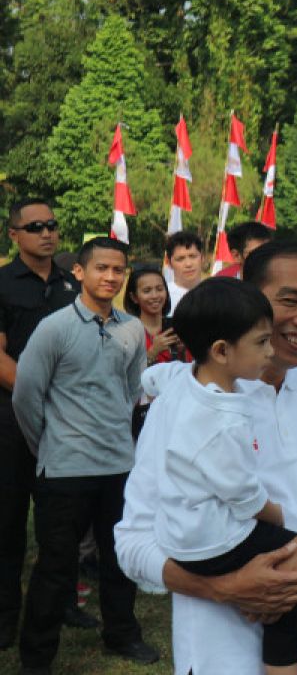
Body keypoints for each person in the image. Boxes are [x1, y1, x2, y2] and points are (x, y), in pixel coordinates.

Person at [116, 241, 297, 673]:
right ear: (249, 300)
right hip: (222, 646)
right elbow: (132, 542)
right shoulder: (186, 404)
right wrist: (226, 587)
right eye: (289, 300)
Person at [13, 237, 159, 672]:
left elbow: (134, 390)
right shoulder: (53, 328)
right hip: (64, 467)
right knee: (56, 566)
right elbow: (26, 396)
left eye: (118, 270)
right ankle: (37, 657)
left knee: (119, 559)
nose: (110, 277)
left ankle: (121, 634)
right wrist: (49, 446)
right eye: (101, 269)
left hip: (118, 465)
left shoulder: (132, 329)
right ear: (79, 272)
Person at [0, 199, 80, 650]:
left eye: (51, 224)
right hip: (12, 419)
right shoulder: (3, 284)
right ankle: (5, 617)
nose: (46, 233)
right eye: (34, 227)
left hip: (67, 424)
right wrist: (41, 400)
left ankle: (59, 607)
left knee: (61, 523)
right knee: (8, 523)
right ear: (14, 234)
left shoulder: (73, 284)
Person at [123, 266, 184, 439]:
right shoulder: (127, 331)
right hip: (142, 417)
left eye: (159, 288)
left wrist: (183, 351)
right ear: (134, 297)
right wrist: (152, 353)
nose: (155, 296)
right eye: (147, 291)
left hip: (176, 413)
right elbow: (124, 379)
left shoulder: (177, 327)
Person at [165, 230, 206, 309]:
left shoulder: (217, 294)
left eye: (193, 256)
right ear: (169, 263)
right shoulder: (161, 298)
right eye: (180, 259)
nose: (188, 264)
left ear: (202, 258)